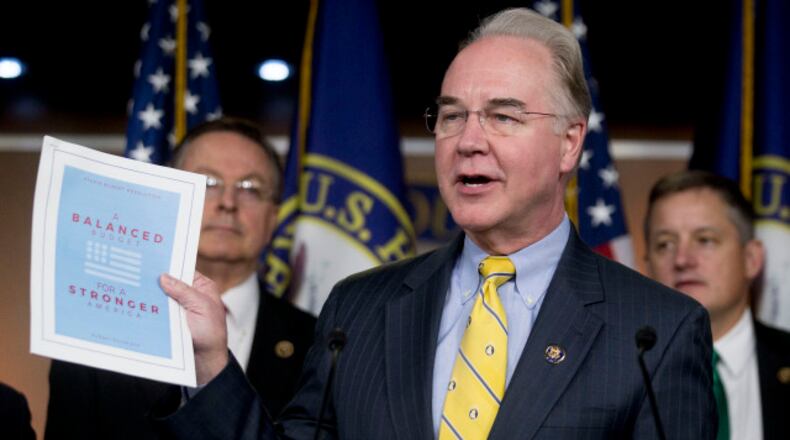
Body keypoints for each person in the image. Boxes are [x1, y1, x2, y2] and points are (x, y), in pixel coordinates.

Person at [158, 8, 716, 439]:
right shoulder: (357, 310)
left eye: (503, 116)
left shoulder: (656, 332)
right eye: (452, 116)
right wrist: (212, 363)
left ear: (570, 143)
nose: (469, 141)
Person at [45, 118, 317, 439]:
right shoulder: (94, 333)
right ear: (169, 199)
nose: (228, 203)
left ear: (274, 216)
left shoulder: (317, 342)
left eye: (250, 188)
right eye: (207, 182)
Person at [644, 170, 790, 440]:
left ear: (751, 259)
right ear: (647, 266)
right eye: (665, 245)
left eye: (705, 240)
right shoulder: (619, 372)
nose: (682, 260)